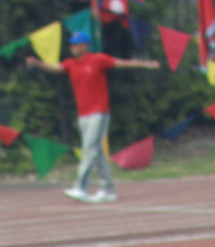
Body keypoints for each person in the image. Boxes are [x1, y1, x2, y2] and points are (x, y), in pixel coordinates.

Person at [61, 40, 149, 202]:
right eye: (71, 45)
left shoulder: (97, 59)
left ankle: (81, 186)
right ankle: (108, 189)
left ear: (84, 45)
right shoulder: (71, 64)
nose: (72, 47)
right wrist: (37, 63)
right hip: (83, 115)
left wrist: (145, 63)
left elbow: (122, 63)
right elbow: (55, 68)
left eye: (76, 44)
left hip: (99, 112)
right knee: (98, 152)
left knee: (89, 149)